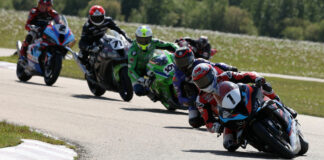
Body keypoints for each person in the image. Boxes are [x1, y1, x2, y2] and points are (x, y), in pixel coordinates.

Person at [191, 63, 297, 151]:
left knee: (265, 88)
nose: (205, 83)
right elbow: (208, 122)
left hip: (244, 100)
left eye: (206, 79)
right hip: (228, 117)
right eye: (201, 82)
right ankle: (260, 142)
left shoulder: (225, 76)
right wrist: (216, 126)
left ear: (212, 74)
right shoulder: (201, 99)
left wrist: (256, 78)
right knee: (229, 144)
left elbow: (244, 75)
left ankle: (284, 106)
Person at [173, 47, 237, 128]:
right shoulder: (177, 77)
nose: (182, 64)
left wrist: (228, 68)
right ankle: (217, 123)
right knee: (194, 121)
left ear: (191, 58)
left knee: (232, 77)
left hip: (212, 85)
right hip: (196, 97)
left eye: (184, 61)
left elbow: (215, 65)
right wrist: (192, 101)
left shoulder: (200, 61)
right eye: (179, 62)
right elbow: (180, 98)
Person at [128, 25, 178, 99]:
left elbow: (168, 45)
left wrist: (178, 49)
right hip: (138, 73)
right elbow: (130, 70)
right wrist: (139, 78)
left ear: (150, 38)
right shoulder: (133, 50)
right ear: (136, 38)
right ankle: (152, 94)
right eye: (141, 40)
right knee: (139, 90)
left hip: (150, 66)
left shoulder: (154, 42)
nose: (144, 42)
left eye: (146, 39)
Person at [78, 5, 132, 74]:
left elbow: (118, 30)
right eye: (95, 18)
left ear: (103, 16)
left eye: (99, 17)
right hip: (91, 41)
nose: (97, 20)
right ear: (90, 17)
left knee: (118, 45)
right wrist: (89, 48)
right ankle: (89, 71)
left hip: (103, 37)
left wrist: (127, 38)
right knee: (82, 56)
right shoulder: (87, 26)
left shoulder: (108, 20)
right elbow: (82, 42)